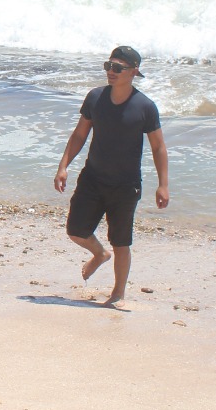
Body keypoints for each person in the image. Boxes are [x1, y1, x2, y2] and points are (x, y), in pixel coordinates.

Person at [53, 45, 169, 306]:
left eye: (118, 68)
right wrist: (63, 166)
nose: (111, 72)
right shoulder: (95, 98)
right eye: (108, 66)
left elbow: (158, 147)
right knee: (76, 230)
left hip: (125, 186)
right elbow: (80, 134)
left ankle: (118, 294)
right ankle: (98, 254)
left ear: (134, 71)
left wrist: (163, 184)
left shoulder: (145, 107)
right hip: (92, 178)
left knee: (121, 241)